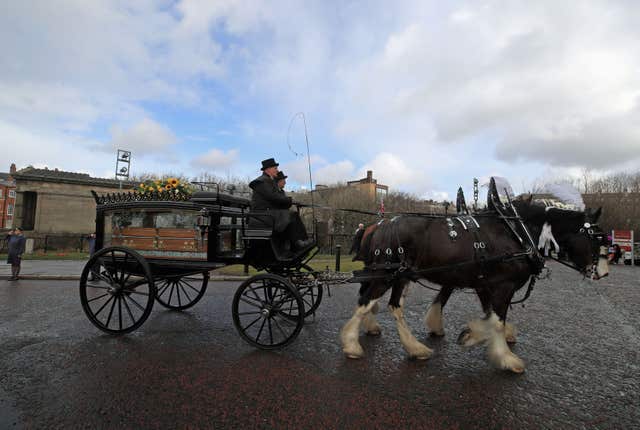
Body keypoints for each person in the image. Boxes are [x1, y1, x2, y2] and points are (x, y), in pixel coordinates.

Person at [249, 158, 313, 252]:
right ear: (268, 169)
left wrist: (289, 202)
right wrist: (291, 200)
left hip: (269, 213)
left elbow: (278, 199)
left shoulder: (269, 181)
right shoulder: (261, 182)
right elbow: (274, 197)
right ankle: (297, 243)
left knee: (292, 214)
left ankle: (302, 241)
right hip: (261, 215)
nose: (277, 170)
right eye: (275, 168)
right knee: (291, 215)